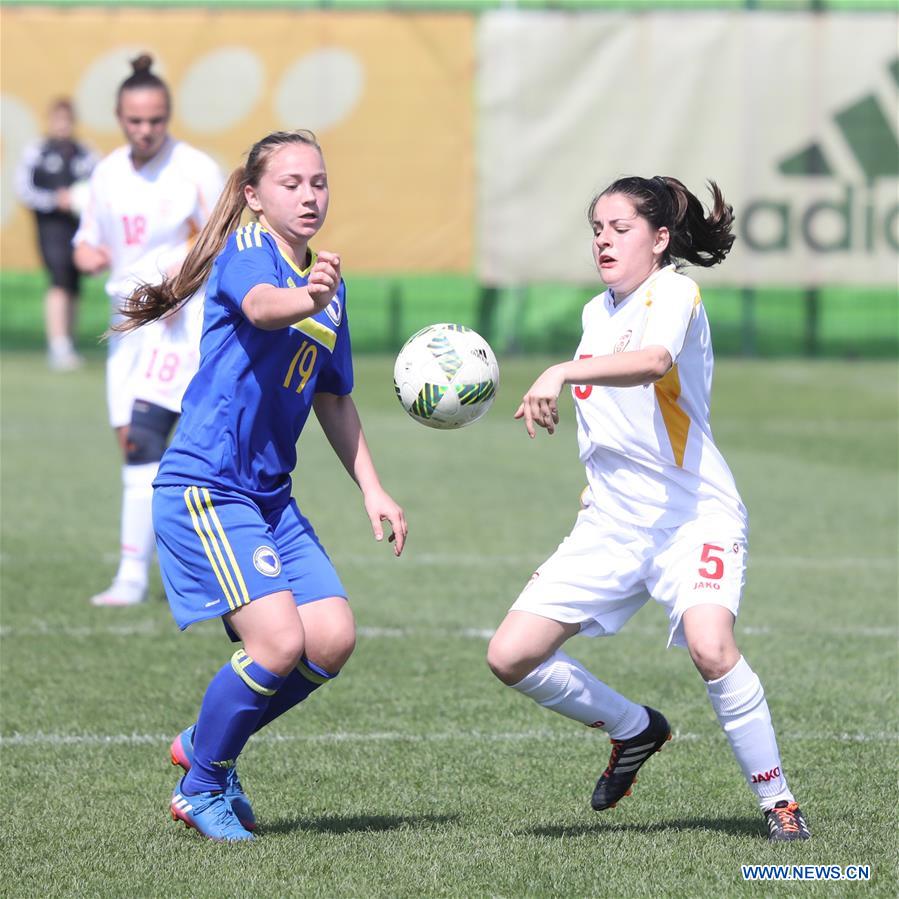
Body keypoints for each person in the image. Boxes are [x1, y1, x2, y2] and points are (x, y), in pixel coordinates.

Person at [486, 176, 810, 842]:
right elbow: (615, 417)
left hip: (692, 515)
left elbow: (652, 361)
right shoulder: (593, 314)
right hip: (610, 522)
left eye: (619, 227)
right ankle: (634, 728)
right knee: (509, 655)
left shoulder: (675, 292)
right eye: (595, 228)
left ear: (659, 239)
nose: (603, 238)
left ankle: (778, 802)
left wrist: (558, 372)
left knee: (710, 646)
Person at [117, 129, 407, 842]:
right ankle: (202, 782)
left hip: (269, 496)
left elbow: (334, 398)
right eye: (291, 183)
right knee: (277, 644)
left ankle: (205, 742)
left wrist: (373, 487)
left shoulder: (327, 285)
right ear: (253, 195)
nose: (309, 195)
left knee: (331, 637)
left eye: (318, 182)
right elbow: (260, 309)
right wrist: (305, 294)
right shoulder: (251, 251)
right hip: (207, 487)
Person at [73, 55, 224, 607]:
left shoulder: (195, 170)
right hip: (124, 328)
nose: (145, 130)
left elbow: (217, 241)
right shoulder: (108, 171)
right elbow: (91, 239)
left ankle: (133, 576)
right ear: (119, 117)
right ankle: (179, 564)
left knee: (149, 442)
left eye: (155, 120)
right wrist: (87, 252)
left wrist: (177, 287)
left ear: (168, 116)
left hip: (174, 322)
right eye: (135, 121)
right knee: (132, 447)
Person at [16, 98, 98, 371]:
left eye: (67, 120)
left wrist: (82, 202)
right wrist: (55, 199)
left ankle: (67, 341)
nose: (63, 126)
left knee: (74, 282)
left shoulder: (85, 154)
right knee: (59, 278)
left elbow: (101, 186)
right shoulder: (37, 152)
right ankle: (57, 344)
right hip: (50, 227)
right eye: (58, 120)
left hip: (78, 227)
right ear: (50, 122)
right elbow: (24, 189)